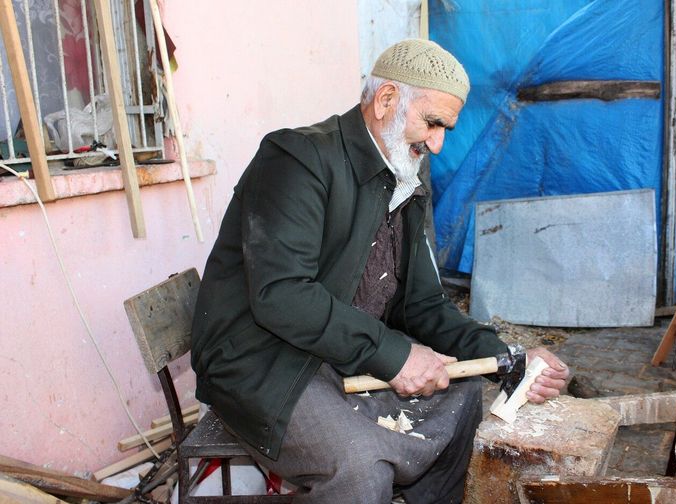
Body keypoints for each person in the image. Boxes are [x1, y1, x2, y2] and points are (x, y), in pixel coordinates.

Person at [190, 39, 569, 504]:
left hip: (337, 351)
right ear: (387, 99)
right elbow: (283, 295)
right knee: (359, 462)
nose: (438, 143)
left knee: (464, 394)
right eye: (432, 123)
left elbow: (424, 304)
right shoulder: (297, 158)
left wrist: (506, 358)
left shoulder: (405, 176)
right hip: (261, 362)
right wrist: (394, 356)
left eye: (445, 128)